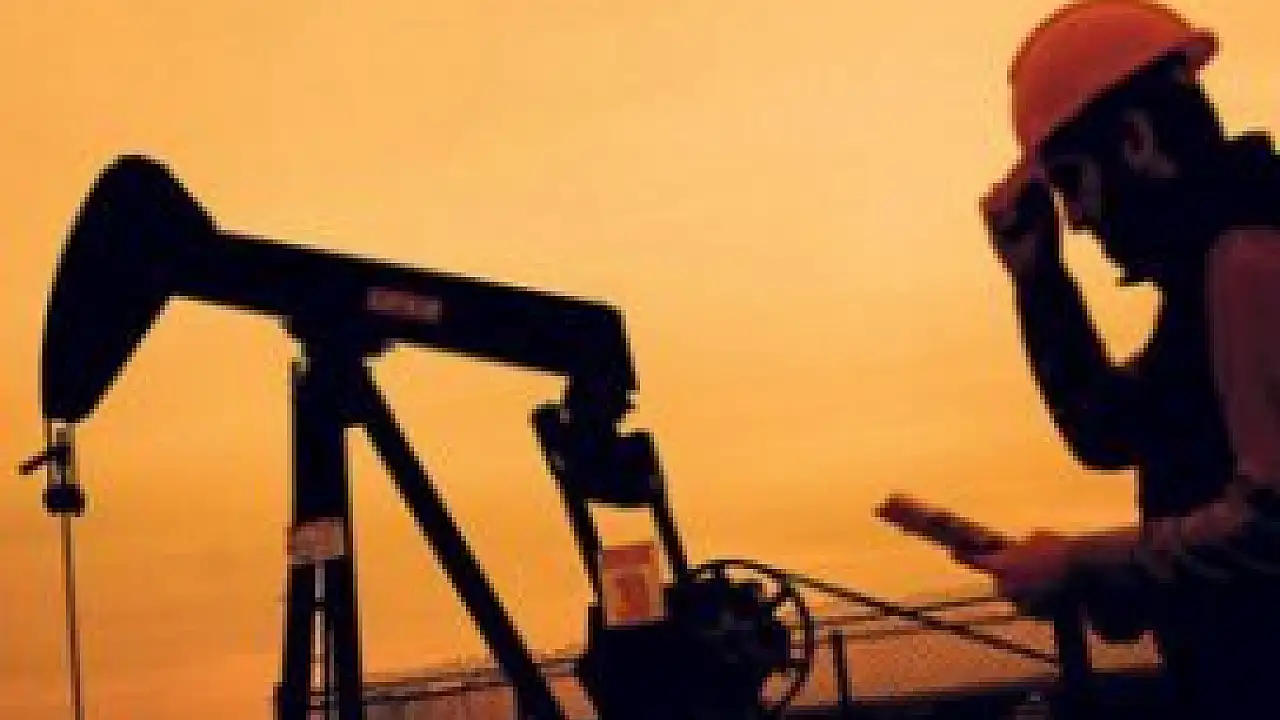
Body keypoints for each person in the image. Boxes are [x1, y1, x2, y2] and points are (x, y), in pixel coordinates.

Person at [973, 0, 1280, 714]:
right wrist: (1040, 282)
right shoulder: (1212, 270)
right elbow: (1114, 431)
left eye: (1071, 181)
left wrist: (1079, 565)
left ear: (1135, 140)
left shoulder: (1249, 260)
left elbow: (1271, 523)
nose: (1077, 219)